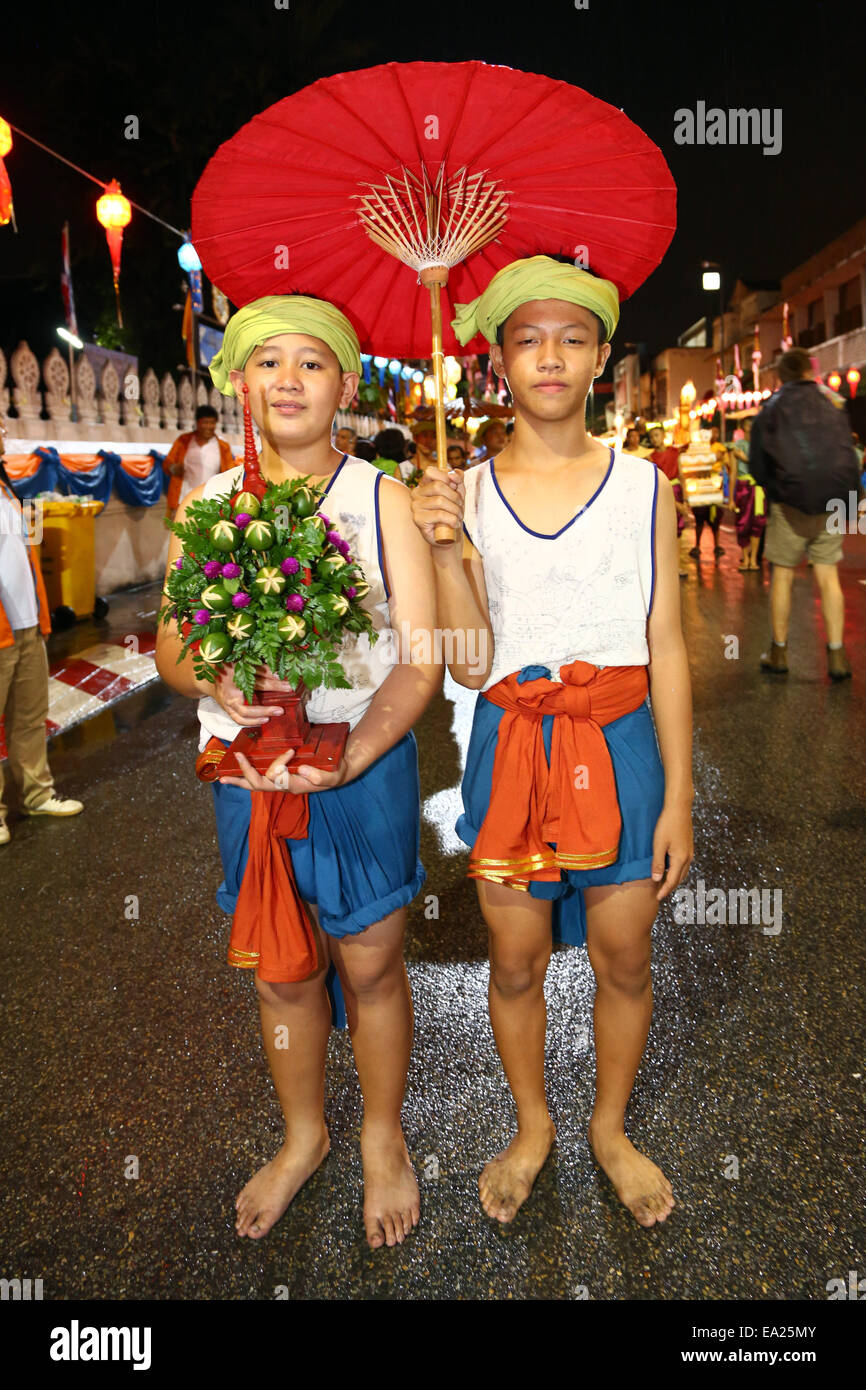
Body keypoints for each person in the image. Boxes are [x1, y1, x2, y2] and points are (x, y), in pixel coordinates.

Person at [411, 255, 693, 1228]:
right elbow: (461, 661)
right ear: (495, 360)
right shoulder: (466, 493)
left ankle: (608, 1127)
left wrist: (680, 800)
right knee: (516, 956)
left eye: (571, 337)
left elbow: (663, 645)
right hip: (509, 742)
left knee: (623, 953)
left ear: (600, 357)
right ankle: (530, 1124)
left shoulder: (643, 486)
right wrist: (445, 548)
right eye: (526, 338)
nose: (549, 356)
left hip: (619, 743)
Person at [155, 295, 441, 1248]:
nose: (287, 379)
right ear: (238, 381)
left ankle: (382, 1137)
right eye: (266, 361)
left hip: (361, 770)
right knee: (281, 974)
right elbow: (169, 653)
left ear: (346, 386)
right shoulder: (209, 505)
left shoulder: (381, 498)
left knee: (370, 962)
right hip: (250, 779)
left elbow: (423, 653)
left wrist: (359, 751)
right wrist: (218, 672)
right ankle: (304, 1136)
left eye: (312, 363)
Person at [749, 347, 860, 680]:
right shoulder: (832, 404)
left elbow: (757, 463)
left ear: (782, 375)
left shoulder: (771, 409)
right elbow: (848, 453)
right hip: (832, 501)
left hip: (789, 503)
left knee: (782, 575)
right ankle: (837, 656)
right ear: (809, 373)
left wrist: (775, 491)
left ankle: (779, 651)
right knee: (828, 578)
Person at [0, 414, 83, 844]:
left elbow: (23, 561)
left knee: (29, 719)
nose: (3, 434)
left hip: (25, 628)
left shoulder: (6, 488)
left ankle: (36, 794)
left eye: (2, 426)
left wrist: (41, 617)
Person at [163, 405, 235, 519]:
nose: (209, 426)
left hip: (211, 502)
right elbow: (167, 464)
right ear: (197, 423)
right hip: (183, 500)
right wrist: (174, 468)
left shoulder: (223, 447)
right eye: (205, 422)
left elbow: (230, 473)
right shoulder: (183, 441)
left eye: (212, 423)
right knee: (181, 535)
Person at [727, 420, 766, 571]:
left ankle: (754, 558)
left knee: (758, 523)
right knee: (743, 524)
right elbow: (733, 474)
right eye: (748, 427)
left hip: (758, 487)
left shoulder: (762, 446)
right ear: (743, 428)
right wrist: (730, 498)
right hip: (743, 488)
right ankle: (745, 558)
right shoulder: (737, 446)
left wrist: (747, 459)